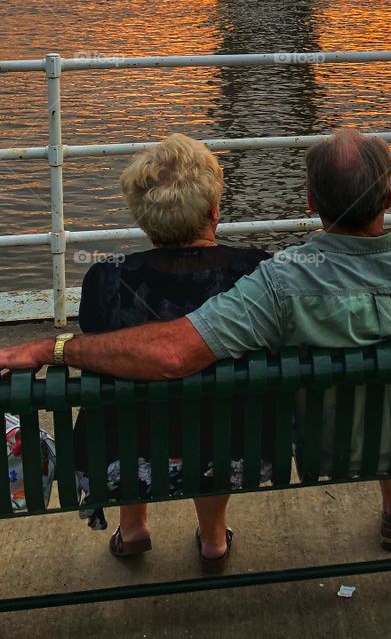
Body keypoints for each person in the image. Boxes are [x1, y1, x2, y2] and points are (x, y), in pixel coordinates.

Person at [1, 128, 391, 554]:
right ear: (388, 199)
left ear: (312, 203)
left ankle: (134, 530)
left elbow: (173, 353)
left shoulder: (284, 283)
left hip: (329, 450)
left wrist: (52, 348)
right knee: (383, 371)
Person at [73, 134, 269, 572]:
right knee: (216, 419)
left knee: (126, 398)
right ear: (215, 211)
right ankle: (214, 540)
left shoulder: (105, 281)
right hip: (235, 450)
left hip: (125, 457)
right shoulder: (257, 271)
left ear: (145, 221)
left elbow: (107, 353)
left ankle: (135, 526)